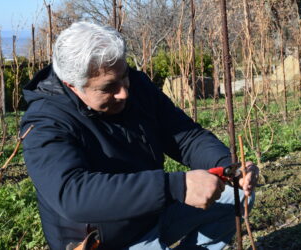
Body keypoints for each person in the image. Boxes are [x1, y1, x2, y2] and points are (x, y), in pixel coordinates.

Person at [21, 21, 259, 250]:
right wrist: (174, 187)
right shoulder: (45, 122)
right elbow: (73, 194)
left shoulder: (136, 86)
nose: (124, 92)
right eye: (108, 87)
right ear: (72, 85)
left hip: (153, 211)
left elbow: (186, 137)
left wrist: (227, 166)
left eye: (124, 75)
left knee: (234, 196)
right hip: (108, 238)